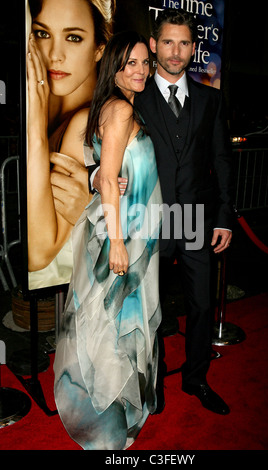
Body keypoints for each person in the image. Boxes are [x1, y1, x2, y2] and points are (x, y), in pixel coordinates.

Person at [90, 9, 233, 416]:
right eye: (167, 42)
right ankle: (153, 382)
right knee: (149, 309)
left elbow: (223, 160)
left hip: (195, 218)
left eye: (184, 43)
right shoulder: (133, 92)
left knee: (201, 303)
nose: (175, 51)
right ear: (154, 45)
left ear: (193, 48)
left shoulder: (211, 99)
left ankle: (197, 378)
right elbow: (102, 142)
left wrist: (224, 215)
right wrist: (99, 174)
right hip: (146, 218)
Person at [53, 31, 163, 450]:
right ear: (114, 69)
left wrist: (98, 174)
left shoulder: (115, 106)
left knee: (110, 319)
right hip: (123, 234)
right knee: (111, 321)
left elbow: (104, 172)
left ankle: (112, 406)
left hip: (134, 231)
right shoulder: (118, 109)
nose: (139, 71)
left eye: (143, 63)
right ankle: (105, 418)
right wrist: (117, 242)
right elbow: (112, 183)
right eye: (129, 64)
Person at [26, 0, 115, 289]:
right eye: (42, 33)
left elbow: (37, 255)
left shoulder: (85, 122)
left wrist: (35, 130)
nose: (54, 54)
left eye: (73, 37)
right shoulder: (52, 108)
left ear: (99, 48)